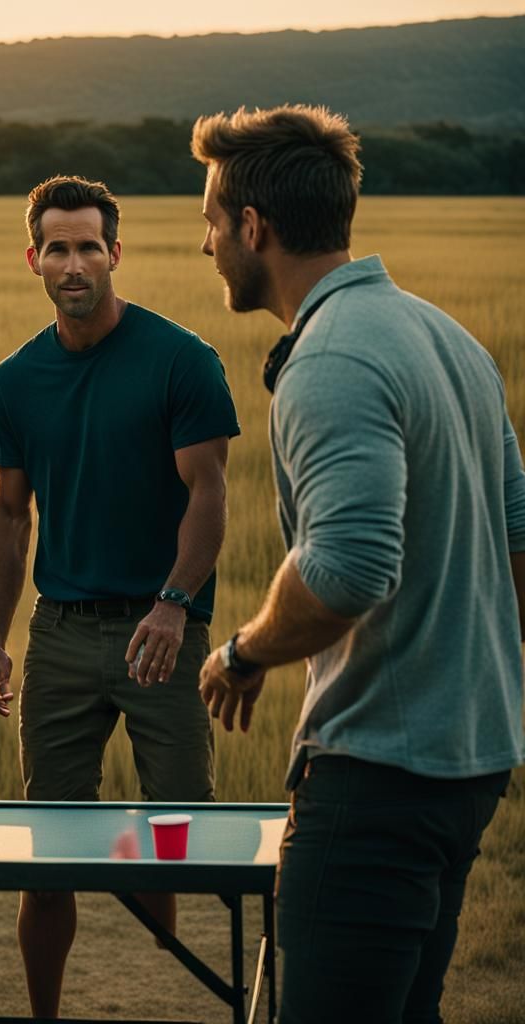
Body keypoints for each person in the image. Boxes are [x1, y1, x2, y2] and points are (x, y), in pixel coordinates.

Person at [191, 105, 525, 1023]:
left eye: (212, 225)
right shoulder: (447, 336)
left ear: (253, 228)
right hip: (467, 762)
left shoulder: (330, 356)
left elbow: (346, 570)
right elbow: (517, 531)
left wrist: (243, 653)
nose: (207, 246)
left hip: (377, 774)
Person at [0, 175, 240, 1018]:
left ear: (115, 254)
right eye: (57, 246)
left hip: (162, 625)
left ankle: (197, 965)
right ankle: (44, 1011)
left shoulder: (181, 360)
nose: (75, 261)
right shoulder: (16, 380)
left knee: (186, 830)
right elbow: (10, 515)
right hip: (61, 631)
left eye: (90, 245)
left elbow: (209, 494)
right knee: (47, 848)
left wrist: (173, 604)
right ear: (34, 260)